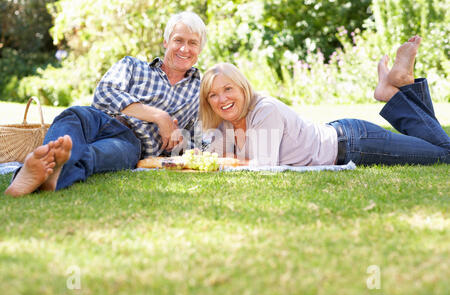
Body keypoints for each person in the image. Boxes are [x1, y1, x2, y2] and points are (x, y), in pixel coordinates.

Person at [5, 11, 207, 197]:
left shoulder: (199, 92)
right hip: (98, 119)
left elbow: (198, 142)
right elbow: (103, 94)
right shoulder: (132, 65)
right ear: (165, 41)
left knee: (93, 155)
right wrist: (159, 116)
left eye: (192, 43)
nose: (184, 49)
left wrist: (181, 142)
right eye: (178, 40)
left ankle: (48, 176)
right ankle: (42, 171)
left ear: (200, 49)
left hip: (132, 142)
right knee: (73, 116)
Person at [199, 36, 450, 167]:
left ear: (243, 88)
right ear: (208, 101)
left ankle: (394, 92)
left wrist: (221, 160)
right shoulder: (225, 124)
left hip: (353, 142)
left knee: (445, 155)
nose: (222, 99)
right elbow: (206, 155)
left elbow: (264, 166)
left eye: (228, 89)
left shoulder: (264, 110)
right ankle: (403, 84)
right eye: (213, 94)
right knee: (436, 146)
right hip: (340, 135)